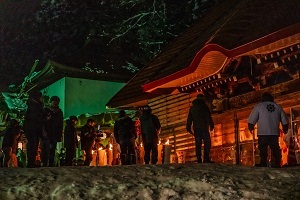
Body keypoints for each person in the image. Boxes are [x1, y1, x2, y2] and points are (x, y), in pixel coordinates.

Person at [248, 92, 289, 168]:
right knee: (275, 147)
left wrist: (251, 126)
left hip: (263, 132)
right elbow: (284, 120)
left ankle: (263, 162)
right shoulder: (278, 107)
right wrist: (285, 128)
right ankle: (277, 162)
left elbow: (252, 119)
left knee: (263, 148)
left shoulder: (258, 106)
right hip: (274, 132)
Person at [186, 94, 214, 163]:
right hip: (204, 128)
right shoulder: (204, 107)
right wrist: (211, 125)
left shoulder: (192, 108)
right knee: (207, 142)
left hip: (196, 129)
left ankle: (199, 159)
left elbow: (189, 119)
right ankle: (206, 158)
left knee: (198, 143)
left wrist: (188, 128)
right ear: (202, 99)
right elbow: (208, 117)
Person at [23, 90, 45, 168]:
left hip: (32, 128)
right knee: (33, 145)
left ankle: (31, 162)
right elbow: (36, 118)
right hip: (33, 129)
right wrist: (45, 119)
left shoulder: (33, 105)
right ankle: (31, 162)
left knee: (34, 145)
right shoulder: (34, 106)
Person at [44, 96, 63, 167]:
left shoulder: (59, 111)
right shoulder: (46, 110)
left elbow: (60, 124)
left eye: (57, 101)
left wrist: (59, 134)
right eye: (54, 101)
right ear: (51, 102)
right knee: (46, 149)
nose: (55, 103)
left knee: (53, 149)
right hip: (47, 133)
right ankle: (45, 163)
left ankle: (51, 164)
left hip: (55, 133)